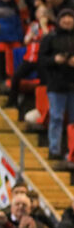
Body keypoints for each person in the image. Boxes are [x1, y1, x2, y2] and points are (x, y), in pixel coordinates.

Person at [39, 8, 74, 160]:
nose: (67, 20)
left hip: (73, 85)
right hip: (56, 85)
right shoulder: (50, 38)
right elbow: (41, 61)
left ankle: (72, 151)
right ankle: (54, 150)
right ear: (59, 20)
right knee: (56, 118)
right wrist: (55, 60)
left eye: (70, 17)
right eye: (64, 17)